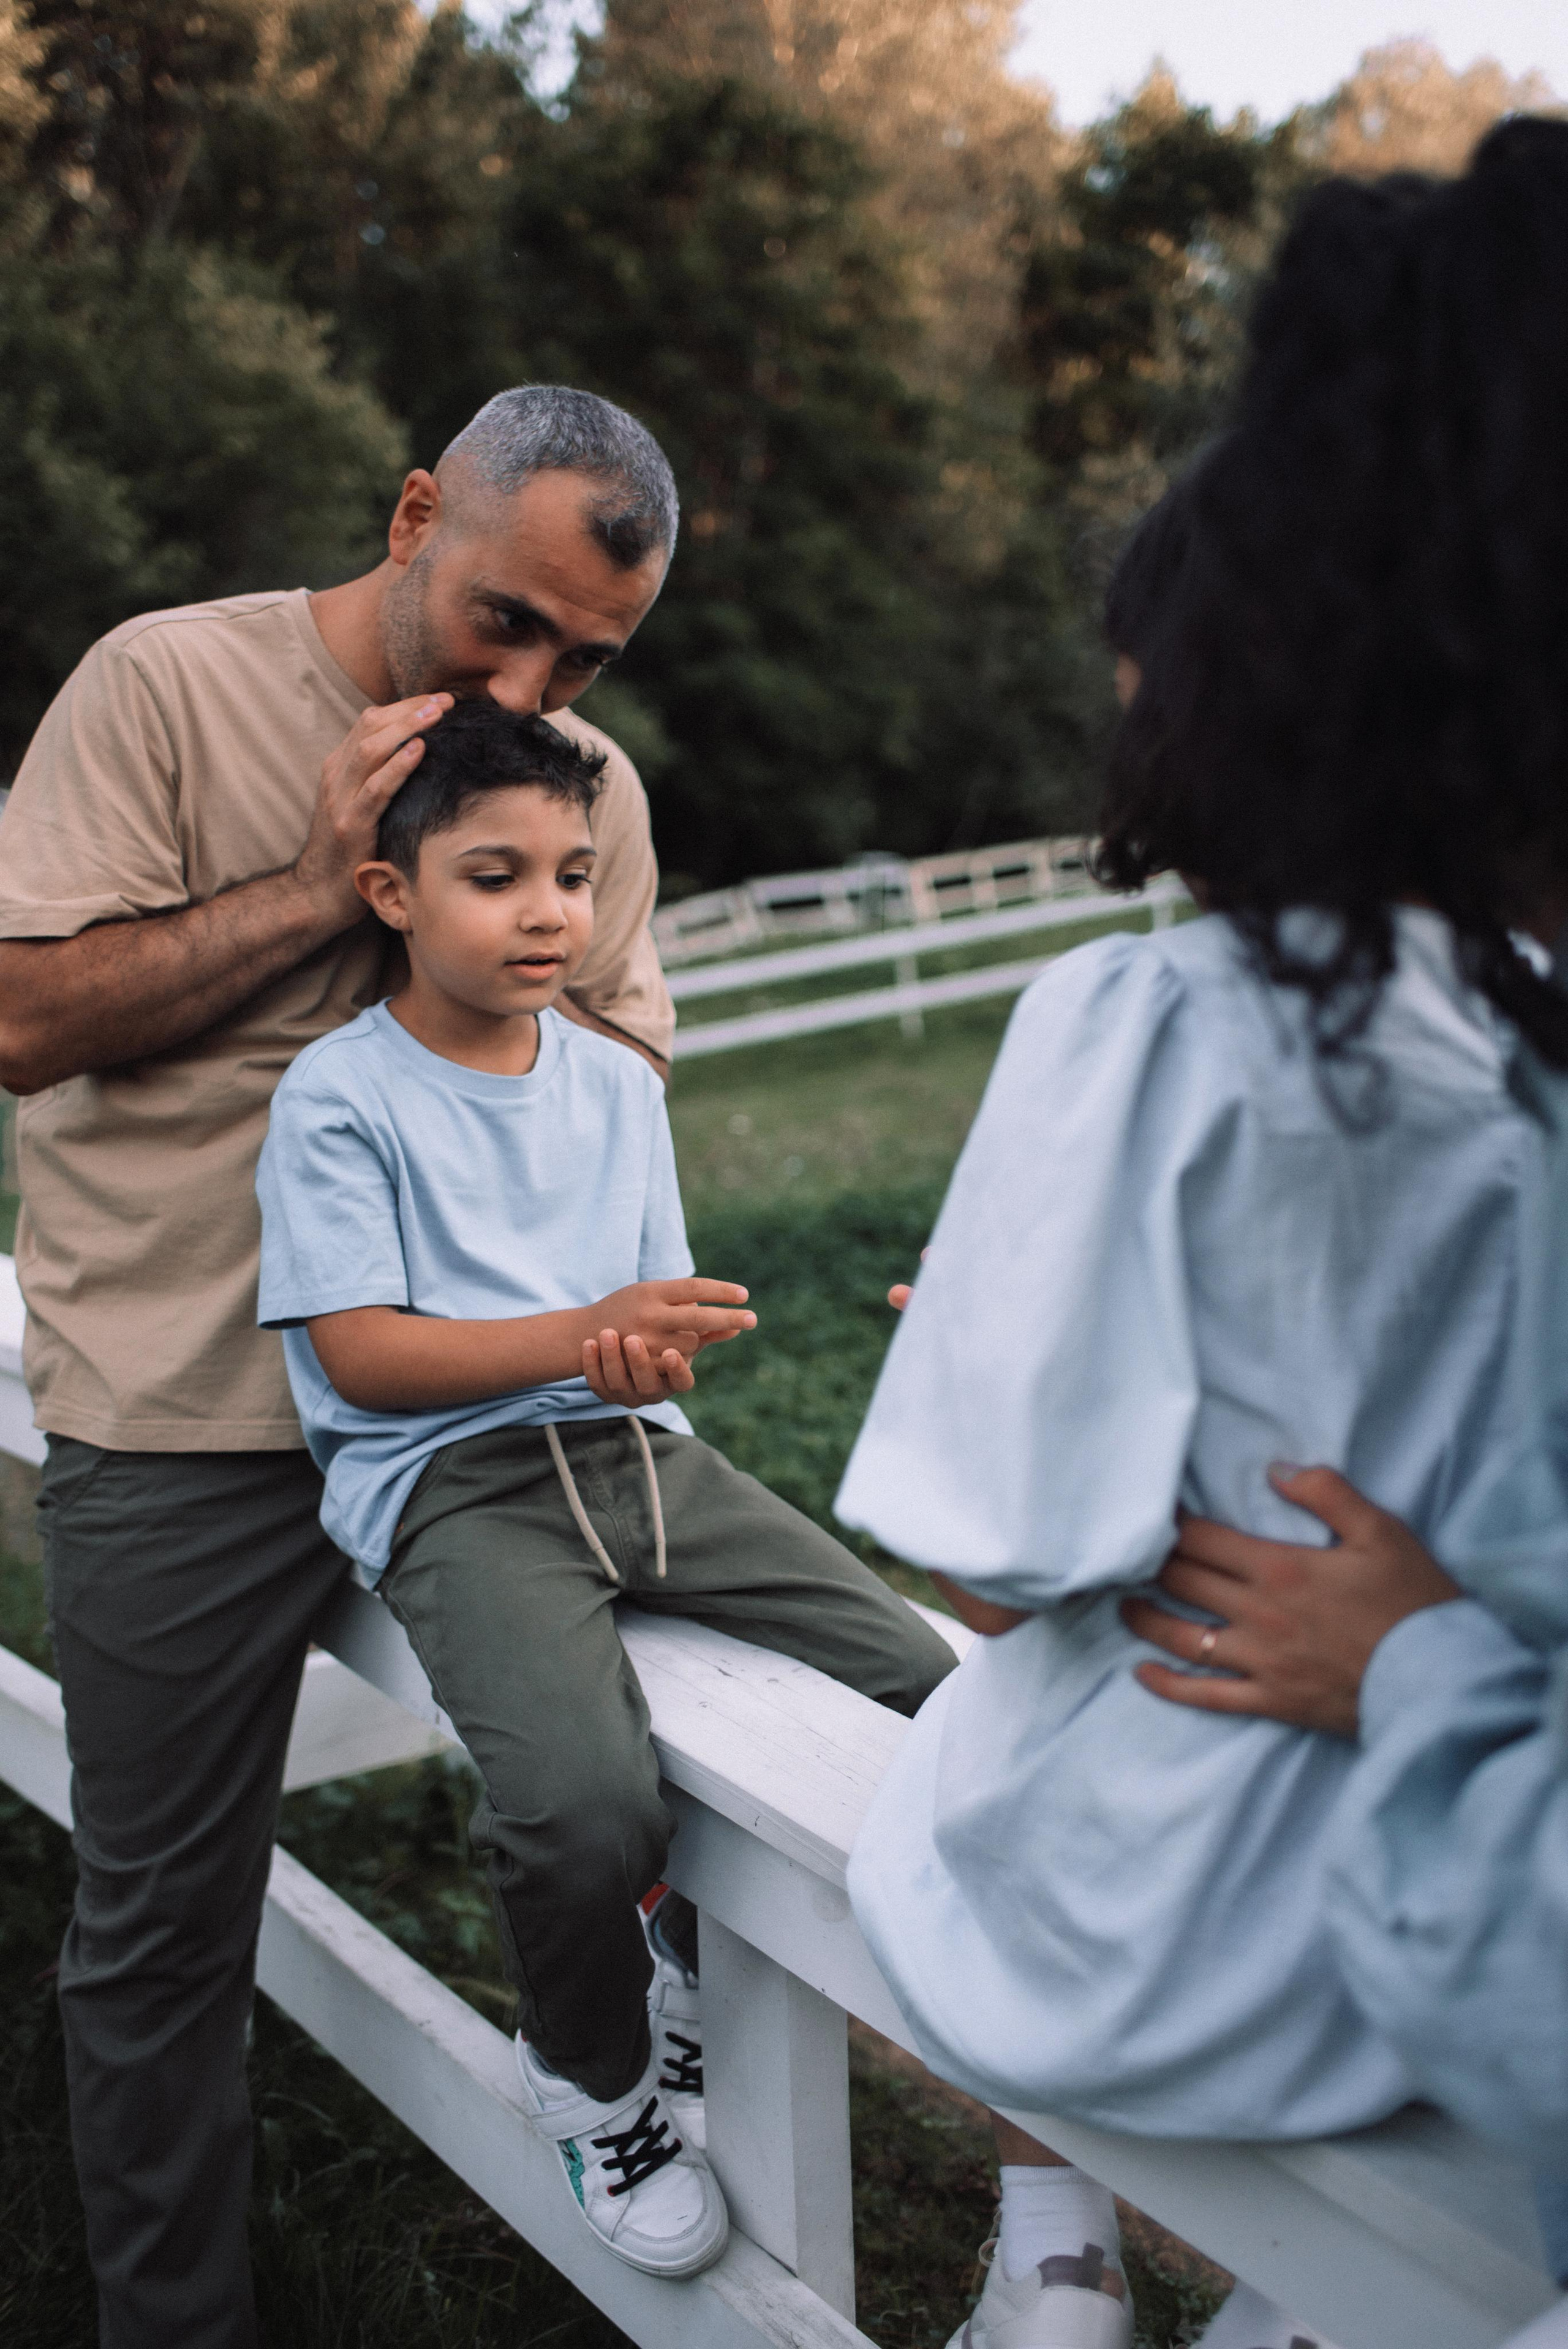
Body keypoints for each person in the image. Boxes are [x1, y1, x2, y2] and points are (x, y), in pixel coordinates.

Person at [836, 121, 1568, 2349]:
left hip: (1188, 1948)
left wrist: (1011, 1359)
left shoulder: (1155, 1011)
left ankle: (1053, 2255)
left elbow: (994, 1550)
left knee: (953, 1743)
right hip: (1432, 1929)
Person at [0, 384, 687, 2348]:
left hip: (488, 1422)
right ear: (412, 515)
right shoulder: (160, 686)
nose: (539, 686)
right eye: (508, 620)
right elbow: (25, 1014)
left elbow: (622, 1079)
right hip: (185, 1417)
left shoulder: (588, 792)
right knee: (158, 1935)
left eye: (591, 657)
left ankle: (653, 2081)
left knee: (665, 1768)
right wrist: (323, 891)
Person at [254, 697, 956, 2279]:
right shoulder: (339, 1097)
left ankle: (688, 1954)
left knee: (922, 1677)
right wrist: (581, 1335)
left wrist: (641, 1355)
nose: (547, 911)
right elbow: (360, 1353)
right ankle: (593, 2071)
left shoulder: (615, 1086)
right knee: (581, 1801)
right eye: (494, 874)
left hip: (640, 1462)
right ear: (394, 893)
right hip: (453, 1487)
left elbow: (636, 1311)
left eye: (572, 874)